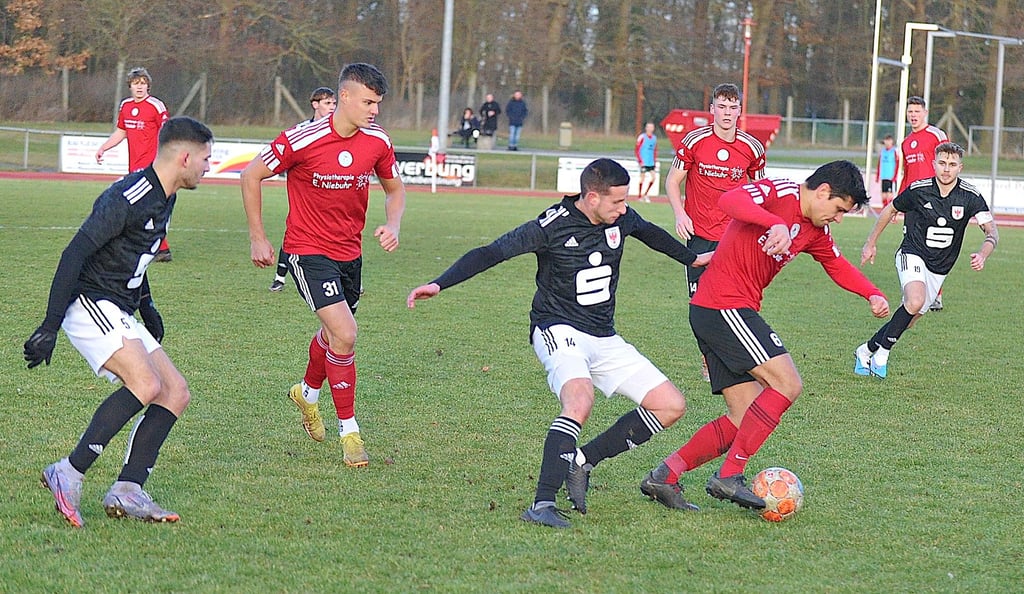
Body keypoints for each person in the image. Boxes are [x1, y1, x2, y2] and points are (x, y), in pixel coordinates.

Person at [407, 158, 712, 528]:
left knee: (671, 405)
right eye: (616, 201)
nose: (624, 208)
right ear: (593, 197)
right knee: (580, 399)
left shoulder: (622, 218)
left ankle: (582, 461)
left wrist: (693, 258)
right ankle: (542, 503)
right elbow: (492, 252)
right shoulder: (551, 225)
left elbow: (652, 234)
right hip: (557, 329)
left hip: (604, 335)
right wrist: (440, 283)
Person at [641, 161, 890, 513]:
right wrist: (773, 221)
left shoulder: (814, 231)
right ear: (822, 192)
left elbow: (837, 265)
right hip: (723, 305)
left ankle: (664, 476)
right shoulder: (782, 192)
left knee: (744, 415)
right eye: (838, 210)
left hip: (723, 309)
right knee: (788, 384)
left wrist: (872, 293)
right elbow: (730, 200)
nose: (838, 219)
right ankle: (729, 475)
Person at [26, 116, 214, 527]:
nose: (208, 166)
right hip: (90, 301)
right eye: (205, 158)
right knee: (146, 383)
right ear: (184, 157)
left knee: (175, 392)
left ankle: (128, 491)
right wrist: (49, 325)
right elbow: (73, 254)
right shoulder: (129, 196)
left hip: (120, 305)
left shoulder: (167, 195)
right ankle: (68, 472)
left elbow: (136, 256)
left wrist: (148, 306)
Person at [241, 63, 406, 468]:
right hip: (307, 250)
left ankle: (307, 394)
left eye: (377, 103)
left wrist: (393, 223)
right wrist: (258, 236)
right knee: (346, 333)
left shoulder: (378, 141)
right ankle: (349, 431)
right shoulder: (301, 138)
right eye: (368, 102)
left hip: (351, 254)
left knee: (335, 336)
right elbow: (250, 174)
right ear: (345, 97)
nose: (374, 111)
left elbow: (395, 188)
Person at [855, 142, 996, 379]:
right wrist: (871, 243)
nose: (946, 169)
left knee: (908, 319)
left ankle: (865, 350)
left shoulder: (970, 196)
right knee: (915, 300)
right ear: (934, 164)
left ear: (960, 167)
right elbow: (890, 210)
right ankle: (882, 356)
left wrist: (983, 254)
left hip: (940, 269)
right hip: (912, 253)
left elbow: (992, 232)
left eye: (952, 164)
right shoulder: (919, 189)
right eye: (942, 163)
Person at [665, 82, 767, 381]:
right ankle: (709, 358)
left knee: (736, 299)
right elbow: (672, 181)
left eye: (732, 107)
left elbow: (760, 191)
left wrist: (759, 227)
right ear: (712, 109)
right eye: (721, 106)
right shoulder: (694, 141)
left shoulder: (752, 149)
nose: (726, 113)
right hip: (699, 235)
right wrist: (680, 213)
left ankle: (737, 355)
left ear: (740, 111)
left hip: (735, 236)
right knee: (699, 302)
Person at [95, 67, 173, 263]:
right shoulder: (126, 106)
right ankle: (159, 249)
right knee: (142, 207)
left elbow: (167, 133)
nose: (140, 87)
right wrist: (104, 148)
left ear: (148, 85)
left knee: (146, 206)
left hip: (153, 167)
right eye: (136, 84)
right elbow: (121, 132)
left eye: (143, 83)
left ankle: (157, 248)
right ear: (130, 86)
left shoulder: (156, 106)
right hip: (134, 168)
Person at [269, 86, 338, 292]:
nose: (332, 107)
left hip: (332, 191)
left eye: (334, 103)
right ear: (315, 105)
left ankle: (352, 279)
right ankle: (280, 278)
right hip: (307, 193)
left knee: (341, 232)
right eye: (327, 103)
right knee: (294, 232)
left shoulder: (341, 129)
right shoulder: (301, 132)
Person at [899, 96, 948, 311]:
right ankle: (911, 293)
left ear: (925, 113)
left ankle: (936, 295)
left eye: (917, 111)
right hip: (912, 203)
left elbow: (948, 163)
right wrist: (897, 202)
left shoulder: (936, 135)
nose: (913, 115)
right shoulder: (906, 142)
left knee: (933, 246)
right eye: (910, 111)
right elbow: (907, 175)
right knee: (910, 245)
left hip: (933, 201)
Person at [876, 134, 899, 221]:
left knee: (890, 196)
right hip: (884, 176)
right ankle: (884, 212)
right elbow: (879, 164)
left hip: (891, 177)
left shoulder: (894, 151)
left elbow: (897, 164)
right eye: (886, 141)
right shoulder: (883, 152)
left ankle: (890, 214)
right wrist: (878, 175)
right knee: (883, 195)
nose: (887, 142)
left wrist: (895, 176)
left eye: (889, 140)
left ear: (891, 142)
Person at [634, 122, 658, 202]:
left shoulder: (654, 138)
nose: (650, 129)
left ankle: (646, 194)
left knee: (653, 177)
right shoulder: (642, 137)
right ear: (646, 128)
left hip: (650, 162)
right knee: (642, 178)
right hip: (643, 162)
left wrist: (654, 161)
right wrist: (640, 160)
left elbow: (655, 150)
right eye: (649, 127)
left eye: (652, 127)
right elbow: (637, 149)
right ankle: (640, 196)